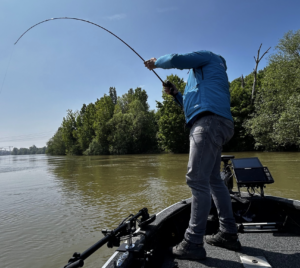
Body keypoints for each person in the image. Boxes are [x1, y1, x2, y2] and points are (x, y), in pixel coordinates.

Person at [144, 51, 241, 260]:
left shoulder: (209, 58)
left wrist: (155, 63)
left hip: (207, 124)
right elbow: (192, 105)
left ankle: (193, 242)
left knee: (197, 181)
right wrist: (177, 95)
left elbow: (177, 59)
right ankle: (228, 233)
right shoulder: (209, 79)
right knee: (215, 180)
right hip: (217, 123)